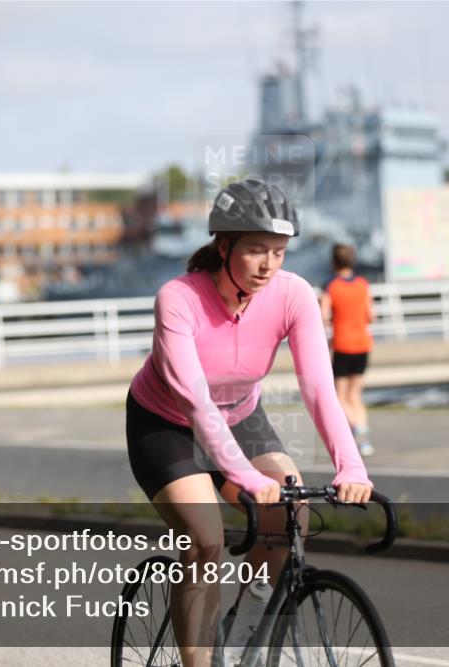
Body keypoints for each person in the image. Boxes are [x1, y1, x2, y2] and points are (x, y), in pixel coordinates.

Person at [126, 178, 374, 667]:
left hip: (240, 416)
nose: (269, 265)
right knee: (206, 540)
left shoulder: (293, 295)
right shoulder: (178, 299)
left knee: (291, 517)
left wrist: (352, 467)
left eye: (279, 252)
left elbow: (320, 388)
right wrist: (244, 478)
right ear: (224, 245)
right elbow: (196, 404)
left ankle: (244, 647)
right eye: (257, 250)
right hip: (168, 423)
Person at [320, 243, 375, 457]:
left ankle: (357, 429)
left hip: (343, 344)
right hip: (363, 343)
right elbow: (371, 315)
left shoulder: (331, 286)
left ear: (333, 261)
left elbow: (324, 317)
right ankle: (363, 435)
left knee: (340, 395)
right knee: (356, 395)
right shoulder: (363, 284)